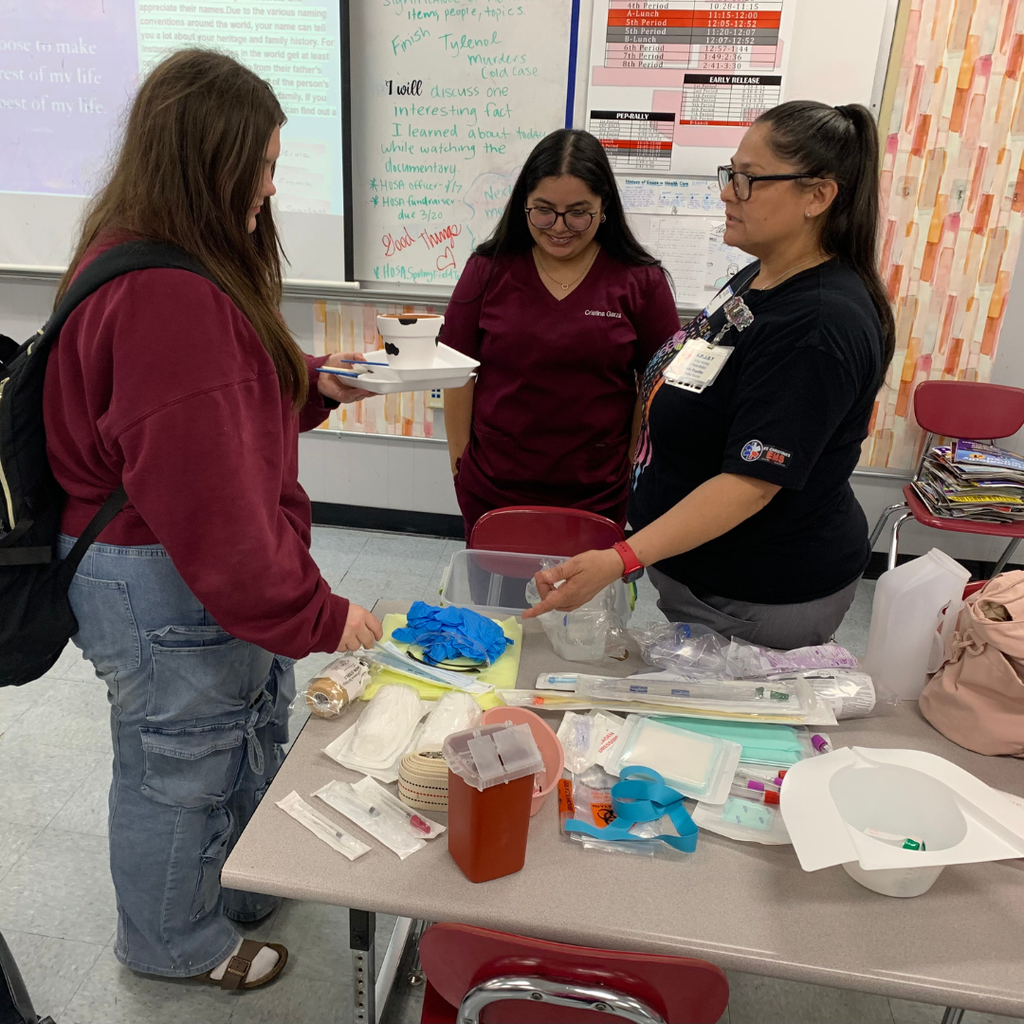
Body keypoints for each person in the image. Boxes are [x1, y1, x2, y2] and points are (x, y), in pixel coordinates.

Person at [43, 51, 381, 990]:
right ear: (213, 162)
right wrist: (321, 614)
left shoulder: (140, 247)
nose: (271, 189)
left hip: (151, 558)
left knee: (226, 730)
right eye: (264, 166)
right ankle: (170, 945)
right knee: (179, 764)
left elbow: (204, 410)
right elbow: (219, 512)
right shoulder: (169, 293)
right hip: (156, 569)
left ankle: (231, 883)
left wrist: (305, 381)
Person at [525, 101, 896, 650]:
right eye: (731, 173)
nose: (727, 191)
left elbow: (750, 483)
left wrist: (621, 557)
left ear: (817, 195)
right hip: (701, 571)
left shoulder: (818, 325)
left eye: (748, 180)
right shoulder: (762, 274)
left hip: (759, 592)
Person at [442, 129, 680, 538]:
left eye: (578, 212)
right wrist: (460, 461)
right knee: (496, 599)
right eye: (544, 210)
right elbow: (456, 370)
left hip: (597, 491)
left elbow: (658, 381)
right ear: (523, 206)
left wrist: (629, 460)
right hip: (495, 486)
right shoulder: (486, 270)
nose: (559, 227)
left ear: (604, 207)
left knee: (585, 602)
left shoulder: (641, 281)